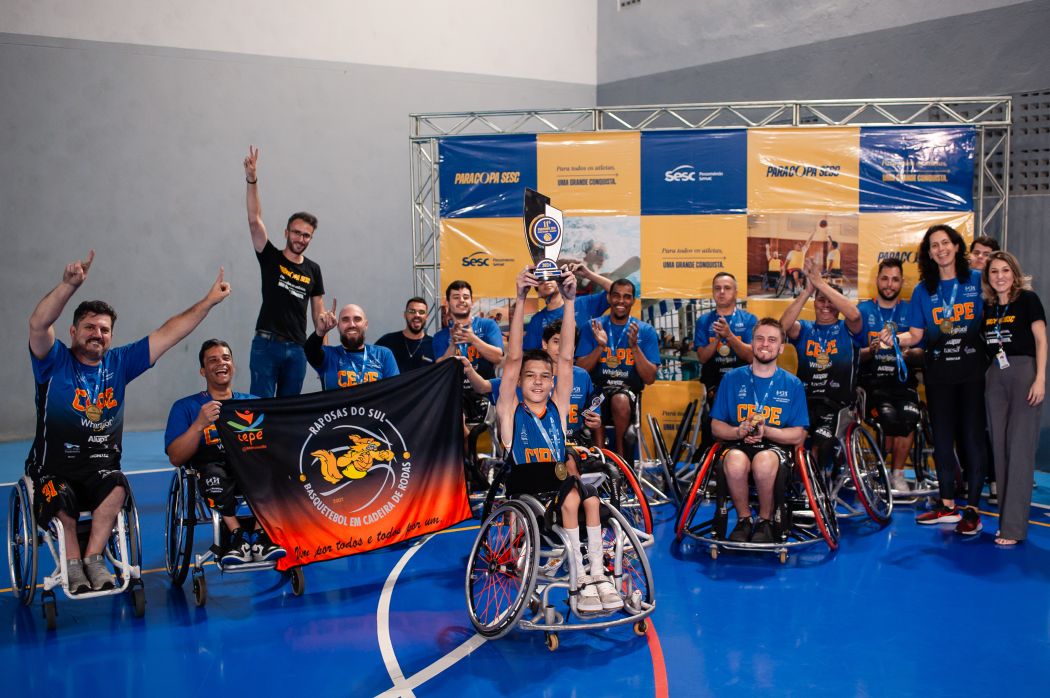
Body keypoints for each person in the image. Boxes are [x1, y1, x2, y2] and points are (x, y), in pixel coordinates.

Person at [26, 251, 230, 593]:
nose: (97, 334)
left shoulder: (118, 363)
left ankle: (94, 559)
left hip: (100, 469)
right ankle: (73, 564)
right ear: (73, 331)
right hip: (53, 470)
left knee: (118, 487)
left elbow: (168, 333)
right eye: (89, 327)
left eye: (104, 330)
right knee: (60, 501)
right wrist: (68, 286)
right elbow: (37, 324)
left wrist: (208, 302)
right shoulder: (53, 360)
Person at [497, 266, 621, 613]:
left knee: (591, 497)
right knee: (574, 490)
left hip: (561, 487)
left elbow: (566, 358)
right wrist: (520, 297)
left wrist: (570, 302)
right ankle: (578, 581)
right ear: (519, 381)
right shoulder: (511, 409)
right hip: (527, 488)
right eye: (530, 376)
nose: (538, 381)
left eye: (544, 376)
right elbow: (513, 359)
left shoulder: (558, 406)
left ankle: (597, 575)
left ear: (552, 382)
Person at [884, 224, 988, 534]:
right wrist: (895, 339)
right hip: (939, 375)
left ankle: (972, 510)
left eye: (945, 243)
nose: (941, 249)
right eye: (934, 245)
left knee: (972, 439)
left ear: (956, 246)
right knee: (942, 440)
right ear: (928, 253)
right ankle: (947, 506)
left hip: (972, 373)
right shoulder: (923, 290)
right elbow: (916, 335)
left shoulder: (976, 280)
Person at [164, 340, 285, 565]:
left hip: (249, 468)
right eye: (213, 360)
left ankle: (259, 535)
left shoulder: (254, 404)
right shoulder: (187, 407)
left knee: (276, 469)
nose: (221, 363)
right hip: (212, 468)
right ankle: (237, 534)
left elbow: (275, 441)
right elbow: (175, 457)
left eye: (226, 358)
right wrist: (199, 424)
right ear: (203, 371)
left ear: (233, 366)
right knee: (214, 474)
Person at [709, 318, 809, 543]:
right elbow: (716, 426)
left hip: (775, 449)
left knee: (763, 462)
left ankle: (765, 520)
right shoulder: (731, 379)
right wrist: (738, 431)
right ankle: (744, 519)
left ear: (781, 348)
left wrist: (768, 431)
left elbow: (797, 434)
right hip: (738, 444)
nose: (765, 344)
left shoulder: (792, 384)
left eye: (772, 340)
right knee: (734, 461)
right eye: (760, 339)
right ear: (752, 343)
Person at [243, 146, 326, 397]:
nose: (301, 238)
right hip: (267, 345)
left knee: (289, 411)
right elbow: (254, 220)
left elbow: (319, 316)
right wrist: (252, 179)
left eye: (306, 235)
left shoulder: (313, 269)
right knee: (261, 407)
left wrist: (323, 355)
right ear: (286, 232)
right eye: (297, 233)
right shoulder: (270, 257)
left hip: (298, 350)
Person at [981, 251, 1046, 545]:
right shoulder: (989, 307)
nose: (1000, 276)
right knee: (1000, 449)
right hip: (996, 376)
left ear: (1014, 273)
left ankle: (1014, 528)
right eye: (994, 272)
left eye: (1005, 270)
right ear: (988, 277)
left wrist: (1040, 378)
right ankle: (1005, 521)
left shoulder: (1028, 300)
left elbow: (1041, 340)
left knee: (1019, 450)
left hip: (1024, 373)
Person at [780, 257, 863, 471]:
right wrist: (807, 291)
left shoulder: (848, 329)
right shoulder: (804, 329)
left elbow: (854, 315)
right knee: (788, 439)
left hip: (837, 406)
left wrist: (820, 283)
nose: (826, 305)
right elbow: (782, 328)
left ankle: (814, 489)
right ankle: (794, 482)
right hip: (805, 403)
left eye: (831, 300)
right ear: (814, 302)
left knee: (820, 443)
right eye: (820, 300)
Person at [465, 320, 603, 447]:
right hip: (534, 445)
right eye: (556, 341)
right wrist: (469, 370)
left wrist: (595, 421)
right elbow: (482, 387)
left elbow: (593, 412)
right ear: (545, 344)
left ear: (574, 348)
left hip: (573, 444)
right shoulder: (526, 375)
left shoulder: (582, 376)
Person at [855, 258, 923, 492]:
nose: (889, 284)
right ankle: (880, 471)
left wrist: (908, 353)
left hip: (902, 383)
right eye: (885, 278)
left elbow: (922, 352)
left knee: (909, 418)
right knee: (888, 419)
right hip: (873, 385)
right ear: (877, 280)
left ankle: (897, 474)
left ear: (902, 282)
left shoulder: (911, 310)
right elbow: (851, 354)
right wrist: (870, 350)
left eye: (895, 279)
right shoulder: (863, 311)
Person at [578, 280, 661, 458]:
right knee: (596, 399)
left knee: (620, 400)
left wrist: (635, 347)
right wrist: (600, 347)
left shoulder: (645, 331)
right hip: (597, 391)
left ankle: (623, 462)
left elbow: (650, 378)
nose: (621, 301)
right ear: (609, 298)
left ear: (633, 301)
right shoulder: (593, 327)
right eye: (616, 295)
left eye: (626, 297)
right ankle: (600, 459)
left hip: (627, 392)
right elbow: (580, 371)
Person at [693, 272, 756, 449]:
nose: (722, 292)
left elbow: (751, 356)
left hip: (743, 384)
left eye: (727, 288)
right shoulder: (704, 321)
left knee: (743, 426)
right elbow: (702, 357)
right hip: (714, 384)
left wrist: (729, 336)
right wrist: (717, 340)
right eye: (717, 288)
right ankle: (712, 460)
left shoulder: (749, 320)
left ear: (736, 292)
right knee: (712, 428)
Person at [434, 280, 504, 428]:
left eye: (465, 297)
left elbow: (498, 357)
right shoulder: (440, 336)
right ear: (448, 303)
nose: (461, 300)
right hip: (454, 396)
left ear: (472, 302)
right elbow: (438, 370)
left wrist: (473, 339)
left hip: (486, 394)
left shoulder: (487, 325)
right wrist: (453, 345)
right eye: (456, 297)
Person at [523, 262, 612, 361]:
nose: (546, 282)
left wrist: (588, 274)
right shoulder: (537, 320)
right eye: (541, 281)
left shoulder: (584, 303)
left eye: (550, 278)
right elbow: (530, 355)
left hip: (585, 367)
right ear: (538, 293)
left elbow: (616, 292)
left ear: (559, 281)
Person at [306, 301, 399, 389]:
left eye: (357, 319)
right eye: (345, 320)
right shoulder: (328, 355)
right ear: (338, 326)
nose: (352, 325)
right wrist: (320, 331)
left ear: (366, 325)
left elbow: (395, 391)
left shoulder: (383, 354)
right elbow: (309, 350)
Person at [375, 297, 435, 373]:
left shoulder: (434, 344)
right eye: (412, 311)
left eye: (421, 312)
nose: (417, 315)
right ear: (405, 315)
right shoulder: (387, 342)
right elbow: (370, 366)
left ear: (426, 317)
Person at [783, 231, 815, 297]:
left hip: (800, 269)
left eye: (801, 245)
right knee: (796, 272)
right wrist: (783, 271)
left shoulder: (803, 251)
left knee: (802, 278)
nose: (800, 245)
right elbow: (786, 263)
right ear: (795, 246)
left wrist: (813, 233)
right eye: (798, 244)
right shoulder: (791, 252)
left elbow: (808, 242)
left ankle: (798, 290)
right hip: (791, 269)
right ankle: (798, 288)